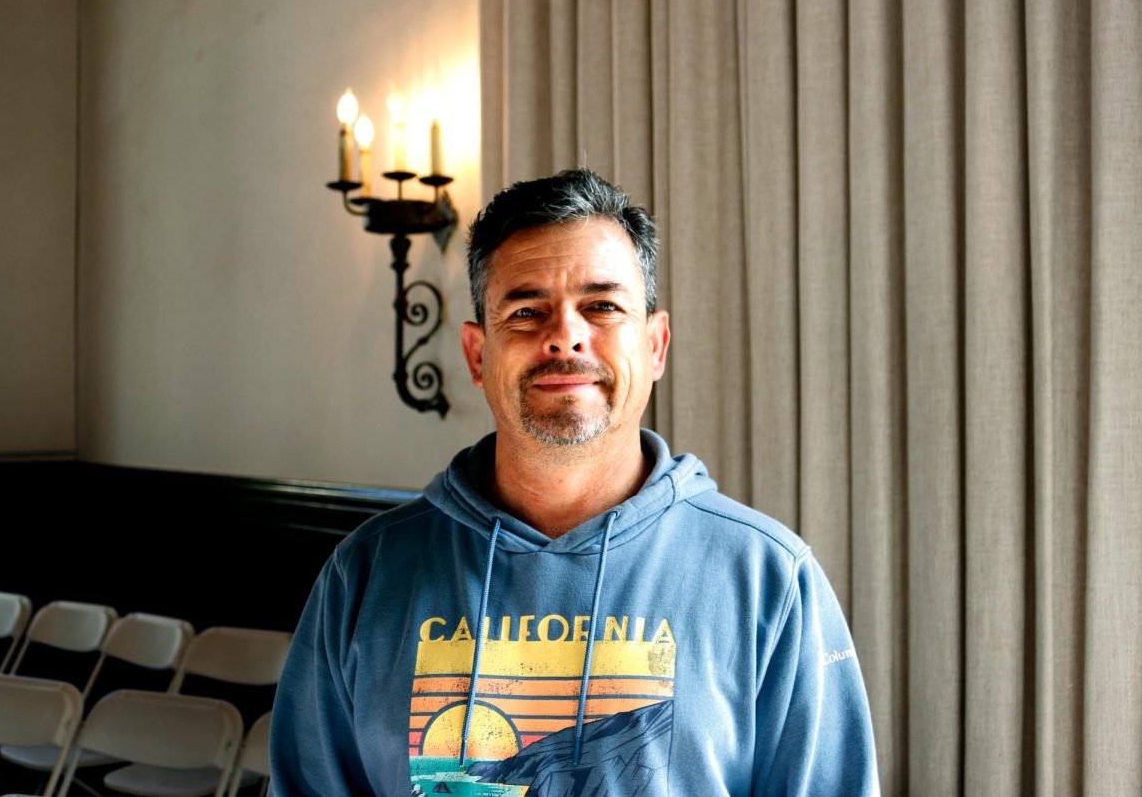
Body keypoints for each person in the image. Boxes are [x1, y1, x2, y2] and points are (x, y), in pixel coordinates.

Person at [270, 169, 879, 796]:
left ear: (656, 345)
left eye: (603, 306)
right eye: (527, 310)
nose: (565, 334)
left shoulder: (769, 579)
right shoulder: (366, 575)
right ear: (478, 355)